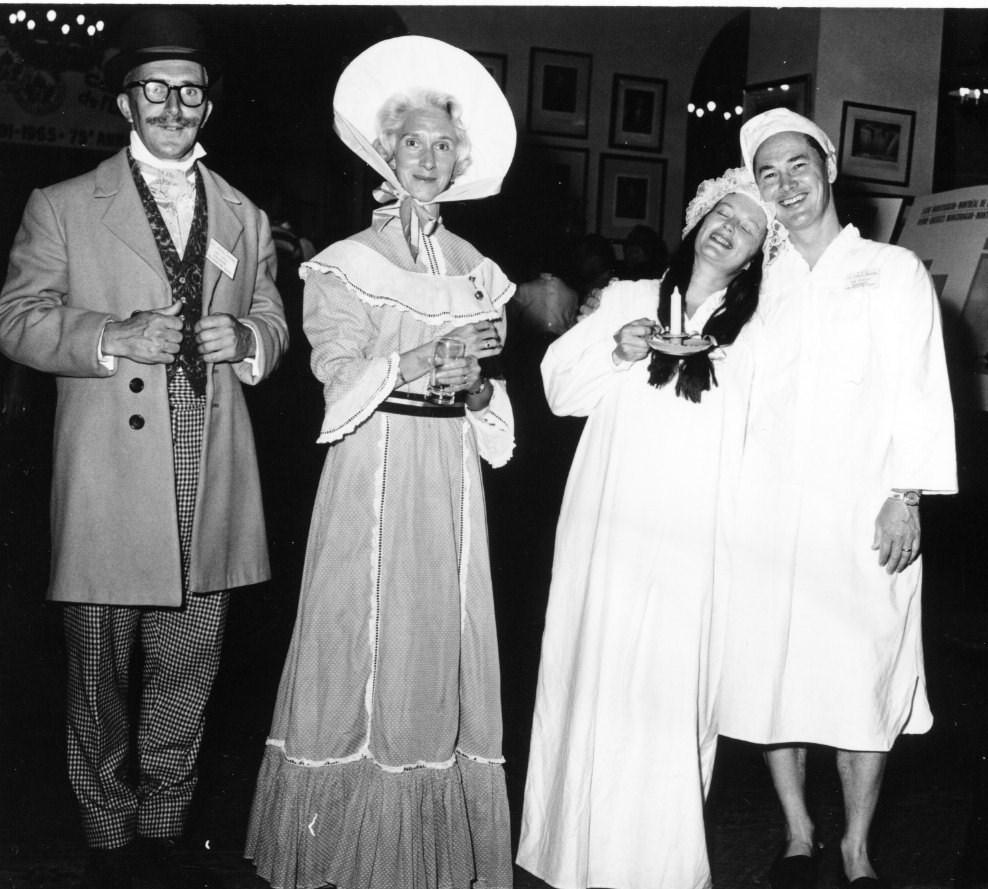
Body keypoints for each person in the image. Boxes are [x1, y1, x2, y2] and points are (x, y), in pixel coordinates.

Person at [0, 9, 287, 889]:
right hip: (109, 470)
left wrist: (244, 339)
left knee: (193, 652)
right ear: (127, 102)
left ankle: (164, 825)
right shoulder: (62, 206)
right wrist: (111, 334)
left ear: (208, 106)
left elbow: (275, 320)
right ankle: (105, 829)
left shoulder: (244, 213)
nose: (173, 105)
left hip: (211, 458)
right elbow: (17, 319)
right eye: (155, 89)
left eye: (189, 92)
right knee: (98, 659)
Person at [245, 36, 516, 889]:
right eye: (413, 143)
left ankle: (424, 860)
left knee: (440, 639)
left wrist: (474, 385)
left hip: (450, 476)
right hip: (376, 465)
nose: (429, 158)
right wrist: (416, 362)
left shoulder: (477, 270)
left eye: (444, 145)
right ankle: (345, 849)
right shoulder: (344, 263)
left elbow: (490, 409)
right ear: (383, 151)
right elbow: (334, 379)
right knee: (359, 635)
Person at [516, 168, 784, 889]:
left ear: (760, 252)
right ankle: (573, 850)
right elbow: (559, 390)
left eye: (751, 226)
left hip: (696, 537)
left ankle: (656, 866)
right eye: (724, 211)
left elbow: (765, 441)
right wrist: (616, 349)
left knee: (672, 689)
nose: (731, 228)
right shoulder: (633, 298)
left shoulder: (759, 330)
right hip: (608, 524)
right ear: (699, 218)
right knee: (594, 676)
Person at [716, 109, 957, 889]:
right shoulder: (754, 286)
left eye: (797, 166)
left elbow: (920, 390)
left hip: (863, 513)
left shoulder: (892, 271)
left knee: (861, 672)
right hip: (766, 513)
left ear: (828, 167)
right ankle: (796, 830)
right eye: (768, 175)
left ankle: (856, 845)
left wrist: (906, 495)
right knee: (772, 670)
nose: (785, 185)